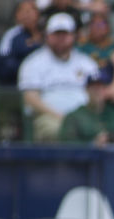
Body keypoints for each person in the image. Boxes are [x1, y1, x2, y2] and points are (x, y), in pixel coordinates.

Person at [18, 13, 98, 142]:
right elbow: (30, 99)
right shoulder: (33, 62)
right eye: (56, 34)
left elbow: (96, 94)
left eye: (65, 34)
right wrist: (62, 117)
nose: (61, 38)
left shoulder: (86, 62)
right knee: (64, 130)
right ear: (47, 36)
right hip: (48, 118)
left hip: (83, 119)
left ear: (73, 36)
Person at [58, 69, 114, 145]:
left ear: (106, 89)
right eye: (94, 87)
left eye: (101, 87)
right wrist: (93, 143)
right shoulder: (74, 117)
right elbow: (66, 146)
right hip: (87, 156)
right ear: (86, 90)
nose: (97, 91)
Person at [0, 0, 44, 85]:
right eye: (24, 11)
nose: (27, 15)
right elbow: (3, 63)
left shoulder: (46, 33)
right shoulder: (12, 34)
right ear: (17, 15)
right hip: (15, 80)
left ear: (38, 14)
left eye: (31, 11)